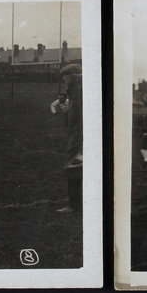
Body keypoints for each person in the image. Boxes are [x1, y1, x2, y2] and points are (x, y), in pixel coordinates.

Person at [56, 64, 83, 213]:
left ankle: (73, 205)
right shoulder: (75, 91)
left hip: (78, 137)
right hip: (79, 135)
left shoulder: (77, 90)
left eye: (66, 76)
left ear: (72, 76)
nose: (64, 79)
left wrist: (77, 137)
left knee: (73, 168)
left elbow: (79, 117)